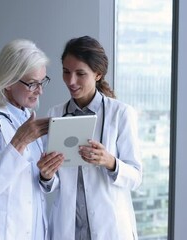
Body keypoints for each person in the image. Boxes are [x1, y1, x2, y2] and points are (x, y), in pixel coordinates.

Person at [37, 36, 142, 240]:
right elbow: (50, 184)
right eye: (66, 72)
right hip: (68, 229)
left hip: (109, 228)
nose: (71, 81)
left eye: (80, 73)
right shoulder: (55, 114)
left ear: (98, 74)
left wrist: (109, 161)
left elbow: (136, 177)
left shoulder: (120, 114)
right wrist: (46, 174)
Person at [0, 39, 64, 240]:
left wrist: (47, 176)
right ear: (9, 82)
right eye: (32, 84)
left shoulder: (28, 119)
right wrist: (19, 142)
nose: (40, 91)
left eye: (42, 81)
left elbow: (38, 185)